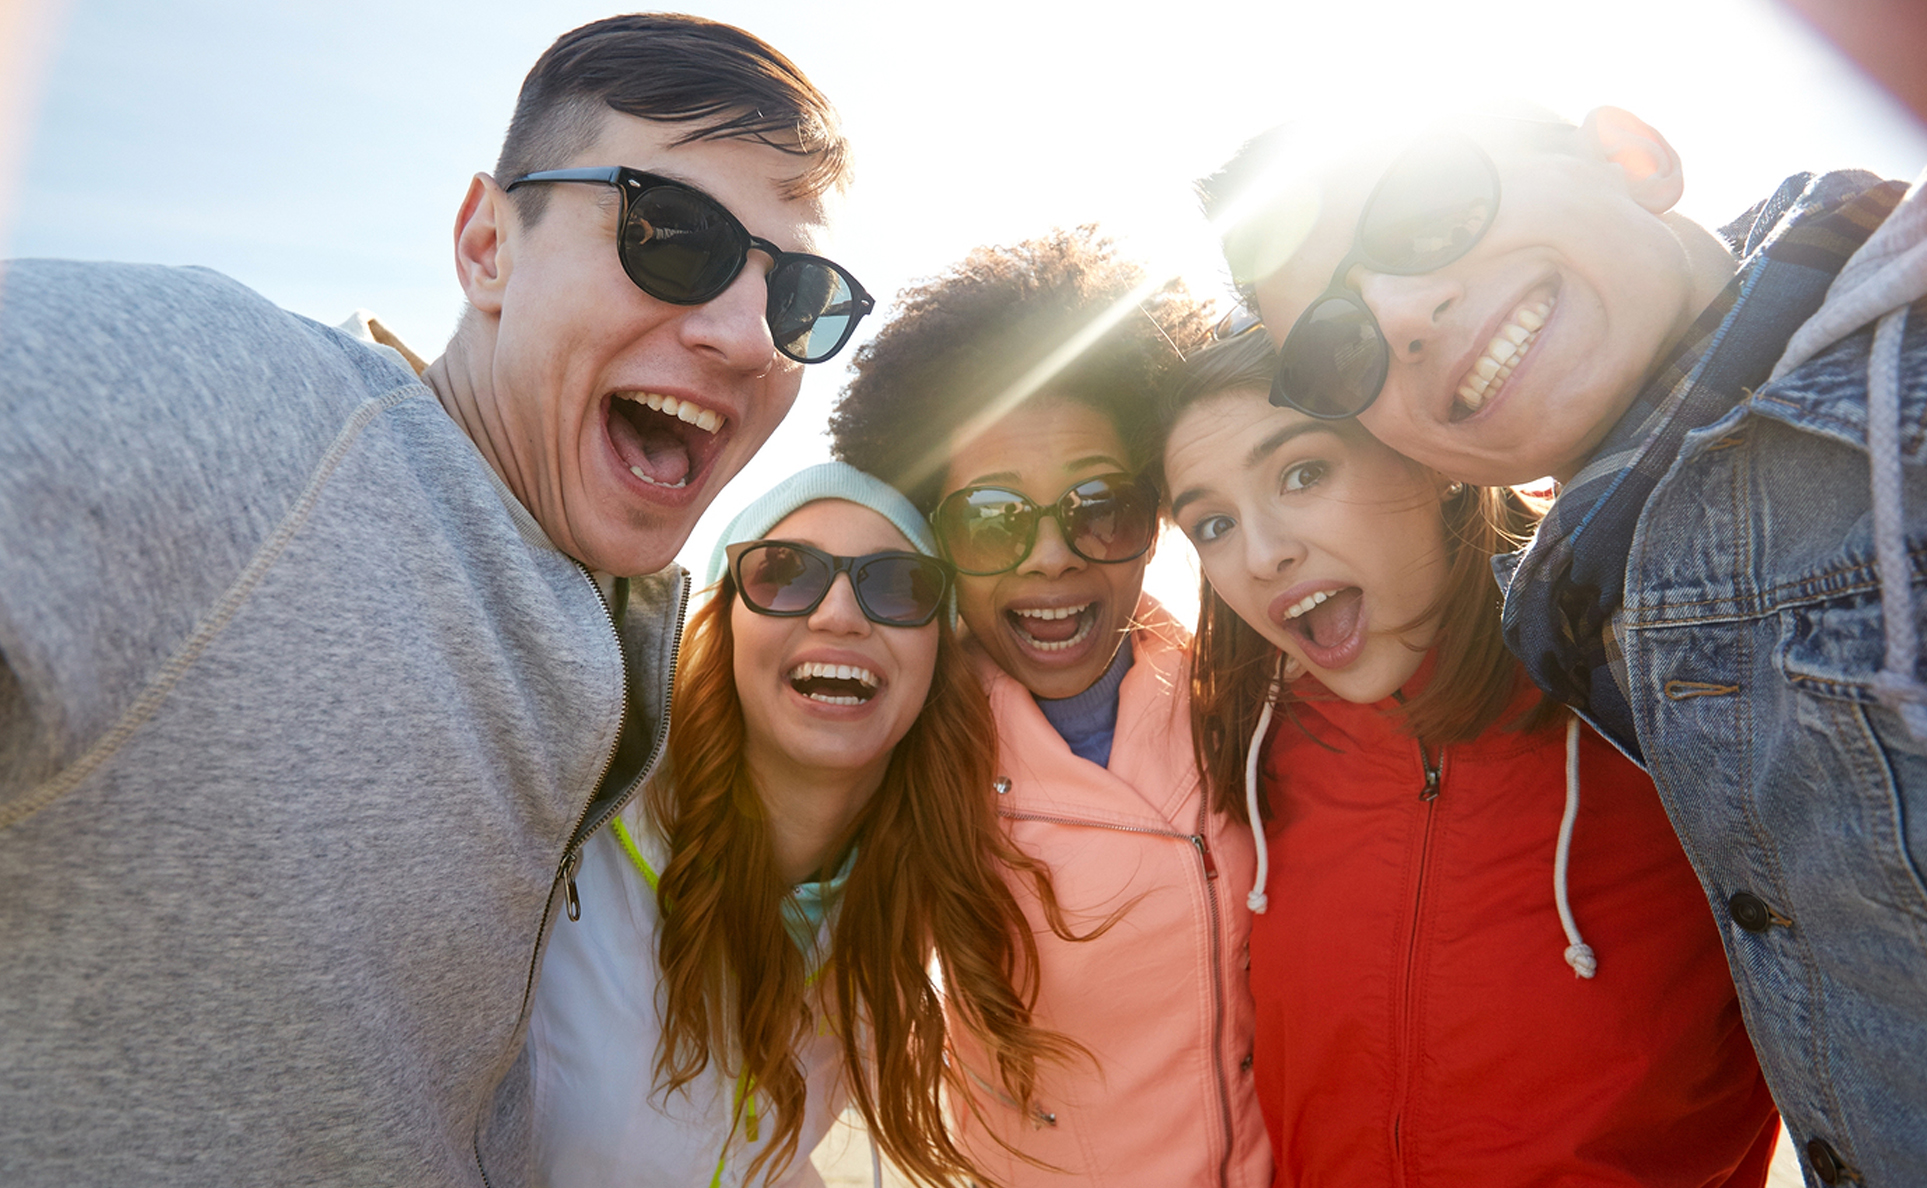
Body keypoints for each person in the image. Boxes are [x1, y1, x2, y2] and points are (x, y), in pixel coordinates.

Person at [0, 15, 872, 1186]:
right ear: (485, 246)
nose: (743, 339)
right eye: (669, 235)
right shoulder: (244, 413)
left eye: (799, 295)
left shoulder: (604, 642)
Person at [1205, 108, 1927, 1183]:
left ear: (1633, 156)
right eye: (1337, 347)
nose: (1398, 315)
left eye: (1429, 210)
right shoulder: (1589, 615)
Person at [1156, 326, 1778, 1185]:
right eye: (1213, 523)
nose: (1262, 555)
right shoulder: (1248, 744)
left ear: (1427, 457)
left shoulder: (1665, 698)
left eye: (1304, 473)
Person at [829, 228, 1271, 1187]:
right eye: (991, 519)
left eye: (1100, 506)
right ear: (933, 538)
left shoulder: (1247, 701)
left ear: (1156, 517)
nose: (1050, 557)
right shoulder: (896, 750)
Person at [528, 462, 1077, 1188]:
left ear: (938, 658)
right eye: (784, 574)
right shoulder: (574, 824)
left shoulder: (889, 917)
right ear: (722, 624)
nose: (840, 614)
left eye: (898, 586)